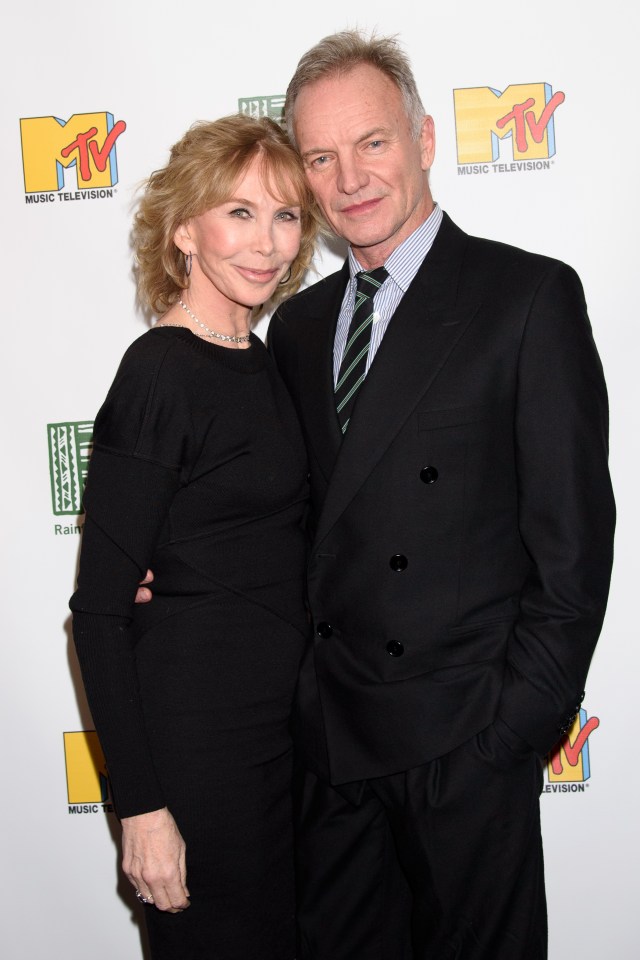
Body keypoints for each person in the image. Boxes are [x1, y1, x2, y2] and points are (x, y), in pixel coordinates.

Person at [266, 30, 616, 960]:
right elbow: (288, 525)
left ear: (425, 139)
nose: (350, 179)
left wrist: (505, 743)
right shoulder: (297, 330)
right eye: (321, 158)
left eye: (372, 143)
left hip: (463, 751)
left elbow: (574, 550)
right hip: (333, 758)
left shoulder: (526, 299)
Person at [69, 113, 319, 960]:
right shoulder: (160, 371)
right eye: (239, 213)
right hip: (197, 749)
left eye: (285, 214)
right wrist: (141, 808)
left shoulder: (271, 359)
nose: (268, 241)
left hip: (282, 742)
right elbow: (99, 613)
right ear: (184, 228)